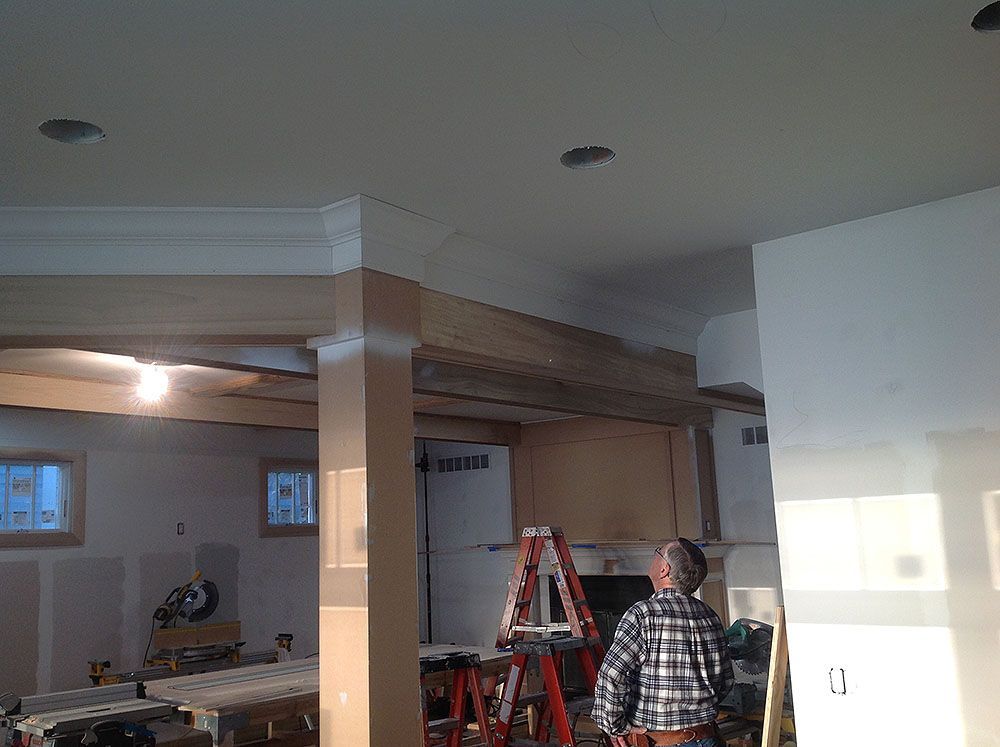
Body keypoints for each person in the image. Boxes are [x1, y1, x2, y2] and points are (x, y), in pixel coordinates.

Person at [591, 538, 734, 747]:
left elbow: (611, 674)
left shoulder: (643, 614)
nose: (653, 555)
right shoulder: (710, 615)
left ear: (664, 570)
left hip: (661, 742)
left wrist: (615, 726)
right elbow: (725, 682)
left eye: (657, 552)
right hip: (708, 737)